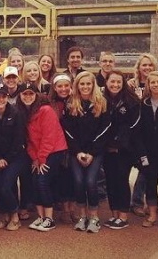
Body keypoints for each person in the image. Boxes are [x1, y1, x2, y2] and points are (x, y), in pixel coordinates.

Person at [62, 71, 110, 233]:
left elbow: (105, 130)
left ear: (93, 85)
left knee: (90, 181)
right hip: (77, 152)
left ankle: (94, 217)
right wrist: (77, 152)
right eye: (82, 84)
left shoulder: (101, 103)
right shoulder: (71, 104)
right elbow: (67, 131)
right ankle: (82, 215)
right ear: (77, 85)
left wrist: (91, 152)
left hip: (94, 152)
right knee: (78, 181)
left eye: (88, 84)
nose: (85, 87)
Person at [17, 82, 68, 232]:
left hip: (54, 150)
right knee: (34, 180)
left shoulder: (46, 110)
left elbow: (49, 137)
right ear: (20, 96)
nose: (28, 96)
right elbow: (29, 141)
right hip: (38, 153)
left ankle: (49, 218)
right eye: (24, 94)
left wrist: (41, 159)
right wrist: (35, 158)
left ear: (36, 95)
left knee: (42, 179)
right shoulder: (24, 112)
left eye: (31, 93)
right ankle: (40, 217)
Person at [101, 69, 141, 230]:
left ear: (123, 83)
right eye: (112, 82)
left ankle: (123, 215)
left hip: (125, 150)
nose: (115, 85)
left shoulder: (131, 100)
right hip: (107, 149)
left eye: (118, 82)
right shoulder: (102, 100)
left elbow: (133, 126)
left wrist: (118, 144)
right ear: (107, 83)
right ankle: (114, 213)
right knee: (110, 181)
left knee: (121, 180)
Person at [0, 83, 28, 232]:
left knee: (5, 186)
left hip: (16, 157)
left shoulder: (16, 113)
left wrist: (6, 160)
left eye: (3, 96)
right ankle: (4, 215)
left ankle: (14, 216)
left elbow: (19, 141)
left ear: (7, 97)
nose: (0, 99)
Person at [127, 53, 158, 215]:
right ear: (138, 67)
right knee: (143, 166)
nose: (147, 68)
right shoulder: (131, 85)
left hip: (152, 133)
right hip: (135, 133)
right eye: (144, 65)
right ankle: (137, 201)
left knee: (149, 168)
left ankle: (149, 201)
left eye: (150, 65)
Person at [138, 71, 158, 230]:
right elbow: (139, 131)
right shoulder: (144, 104)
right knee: (151, 182)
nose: (155, 85)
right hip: (149, 151)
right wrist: (142, 152)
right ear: (148, 85)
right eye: (152, 82)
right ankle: (153, 214)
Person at [48, 74, 77, 224]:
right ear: (54, 87)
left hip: (74, 145)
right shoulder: (50, 103)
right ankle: (65, 209)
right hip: (58, 146)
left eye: (66, 85)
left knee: (73, 177)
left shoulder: (76, 101)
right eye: (60, 86)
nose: (63, 89)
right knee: (62, 177)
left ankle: (72, 208)